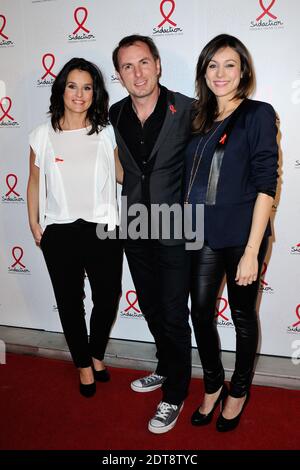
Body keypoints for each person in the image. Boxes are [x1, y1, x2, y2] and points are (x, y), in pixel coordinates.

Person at [185, 34, 278, 431]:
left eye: (229, 65)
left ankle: (238, 390)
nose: (220, 74)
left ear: (243, 71)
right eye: (212, 65)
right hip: (200, 233)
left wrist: (252, 251)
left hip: (244, 236)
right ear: (203, 72)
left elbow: (265, 185)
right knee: (201, 314)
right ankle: (211, 384)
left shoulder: (258, 114)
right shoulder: (197, 118)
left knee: (241, 315)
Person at [110, 35, 193, 433]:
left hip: (177, 226)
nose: (137, 73)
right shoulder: (114, 114)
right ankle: (166, 365)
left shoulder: (189, 109)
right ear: (119, 74)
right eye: (128, 66)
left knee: (175, 312)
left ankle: (175, 393)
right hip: (135, 224)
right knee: (149, 304)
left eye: (143, 63)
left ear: (158, 64)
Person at [27, 58, 123, 398]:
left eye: (87, 87)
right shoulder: (42, 134)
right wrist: (33, 221)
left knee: (108, 298)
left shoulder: (107, 130)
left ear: (95, 93)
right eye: (72, 85)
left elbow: (123, 175)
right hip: (61, 231)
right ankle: (83, 364)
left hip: (104, 228)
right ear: (61, 89)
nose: (79, 94)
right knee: (69, 302)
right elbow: (34, 181)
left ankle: (95, 353)